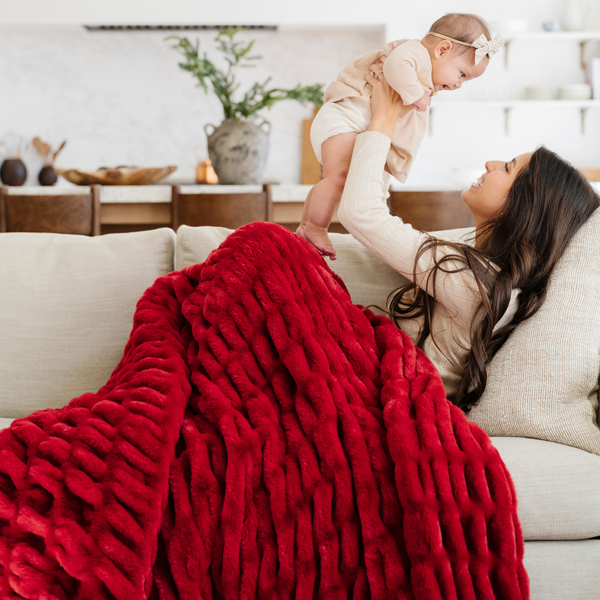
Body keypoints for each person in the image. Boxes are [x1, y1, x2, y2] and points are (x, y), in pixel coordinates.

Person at [337, 54, 599, 411]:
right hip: (375, 385)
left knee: (268, 248)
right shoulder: (484, 274)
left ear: (523, 209)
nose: (491, 163)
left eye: (507, 168)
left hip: (378, 401)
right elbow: (374, 214)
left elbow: (361, 214)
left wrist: (383, 118)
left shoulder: (472, 280)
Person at [297, 13, 503, 260]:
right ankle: (316, 228)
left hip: (345, 121)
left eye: (465, 81)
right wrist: (417, 95)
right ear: (442, 49)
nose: (459, 85)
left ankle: (305, 226)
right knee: (337, 178)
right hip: (345, 116)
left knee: (330, 180)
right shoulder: (415, 53)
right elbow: (396, 66)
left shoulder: (422, 71)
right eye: (461, 74)